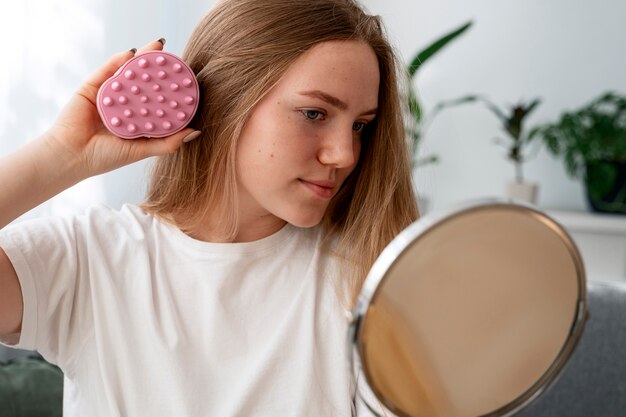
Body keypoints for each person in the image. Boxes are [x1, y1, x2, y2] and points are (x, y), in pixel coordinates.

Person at [0, 0, 418, 415]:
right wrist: (61, 152)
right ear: (226, 99)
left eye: (360, 126)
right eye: (314, 113)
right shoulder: (89, 259)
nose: (344, 154)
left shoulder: (363, 282)